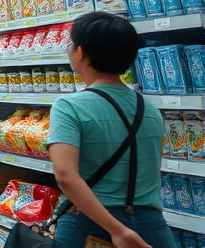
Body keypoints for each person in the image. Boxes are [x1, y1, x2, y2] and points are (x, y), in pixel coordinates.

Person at [47, 12, 173, 248]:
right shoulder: (149, 108)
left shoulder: (69, 107)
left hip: (91, 226)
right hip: (151, 226)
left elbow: (65, 175)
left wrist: (118, 230)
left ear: (81, 52)